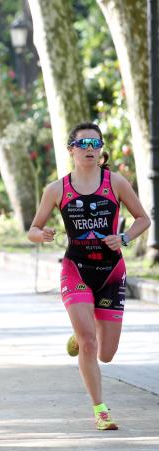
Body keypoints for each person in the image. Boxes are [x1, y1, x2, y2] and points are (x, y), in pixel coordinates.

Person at [27, 122, 150, 431]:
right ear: (71, 150)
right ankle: (101, 410)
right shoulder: (57, 189)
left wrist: (122, 239)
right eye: (83, 144)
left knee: (106, 354)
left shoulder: (116, 183)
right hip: (76, 268)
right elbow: (33, 229)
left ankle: (83, 336)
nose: (90, 149)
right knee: (89, 342)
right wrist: (42, 235)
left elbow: (143, 219)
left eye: (95, 143)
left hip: (111, 271)